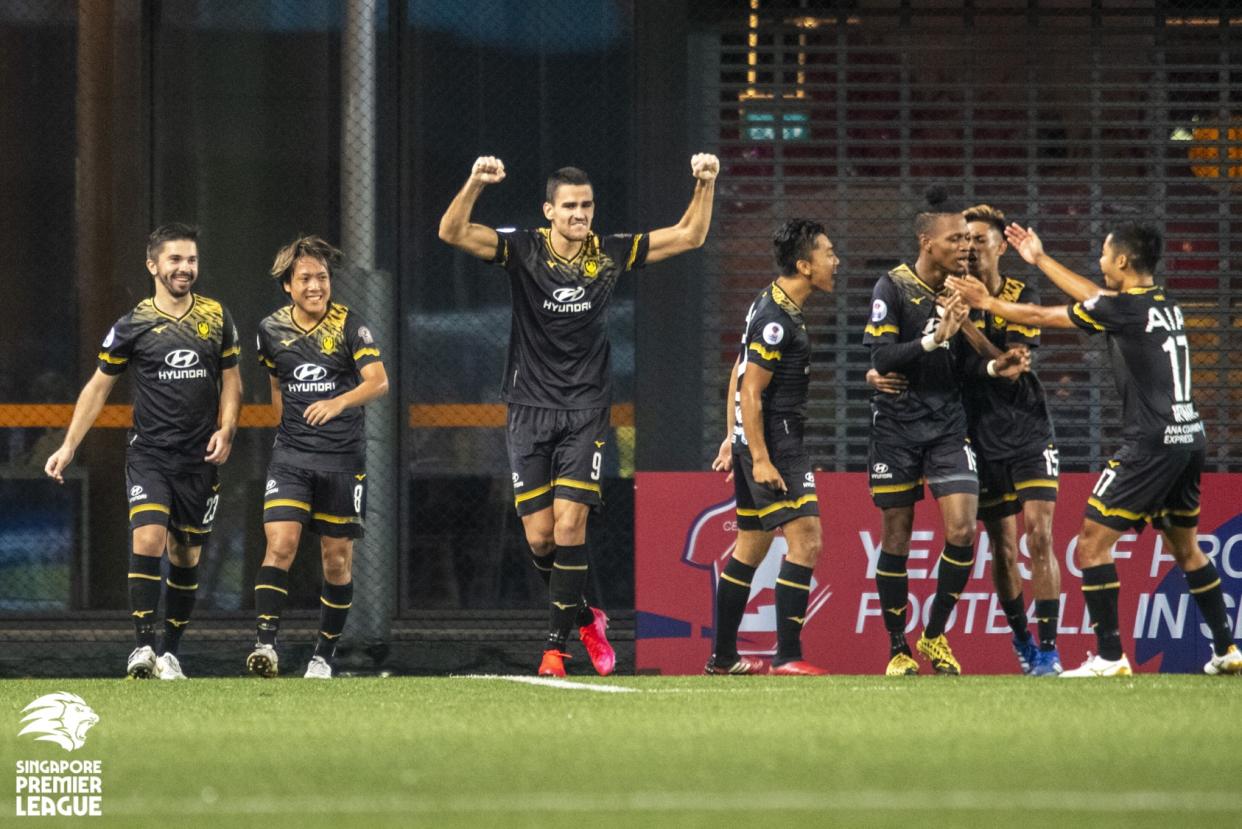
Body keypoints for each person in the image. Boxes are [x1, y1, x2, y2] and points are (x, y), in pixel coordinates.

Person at [438, 153, 719, 676]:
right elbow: (452, 231)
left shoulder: (609, 253)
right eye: (569, 206)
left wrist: (706, 183)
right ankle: (588, 615)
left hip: (586, 408)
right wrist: (475, 181)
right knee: (540, 537)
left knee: (570, 527)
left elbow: (688, 236)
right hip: (528, 408)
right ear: (549, 210)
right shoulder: (523, 249)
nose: (579, 214)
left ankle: (555, 648)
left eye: (586, 205)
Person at [948, 222, 1242, 677]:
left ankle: (1110, 656)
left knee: (1090, 544)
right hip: (1189, 439)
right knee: (1186, 549)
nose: (1100, 262)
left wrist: (987, 303)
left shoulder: (1121, 310)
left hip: (1151, 443)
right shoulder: (1162, 303)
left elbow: (1047, 317)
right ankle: (1227, 650)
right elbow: (1096, 298)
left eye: (1105, 254)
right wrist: (1041, 259)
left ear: (1122, 261)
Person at [871, 204, 1063, 675]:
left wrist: (973, 330)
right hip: (955, 429)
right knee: (996, 541)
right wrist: (877, 373)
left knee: (1031, 533)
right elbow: (894, 355)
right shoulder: (906, 287)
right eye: (960, 239)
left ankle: (1043, 648)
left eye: (975, 240)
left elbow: (1004, 364)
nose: (968, 247)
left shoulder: (1012, 294)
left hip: (1016, 429)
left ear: (999, 247)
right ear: (931, 243)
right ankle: (908, 646)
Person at [45, 223, 242, 680]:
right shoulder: (132, 324)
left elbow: (231, 379)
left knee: (186, 554)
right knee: (148, 539)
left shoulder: (217, 317)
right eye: (175, 260)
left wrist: (228, 428)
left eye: (191, 260)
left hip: (201, 459)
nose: (185, 268)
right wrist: (69, 445)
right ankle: (142, 649)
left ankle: (171, 653)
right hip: (150, 455)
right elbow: (97, 388)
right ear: (153, 265)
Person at [247, 236, 389, 679]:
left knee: (336, 560)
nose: (315, 285)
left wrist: (339, 402)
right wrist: (283, 430)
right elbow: (275, 385)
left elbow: (378, 382)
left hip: (342, 460)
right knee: (281, 545)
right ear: (288, 285)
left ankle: (322, 656)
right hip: (290, 458)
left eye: (322, 277)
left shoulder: (350, 324)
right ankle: (265, 646)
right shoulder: (270, 330)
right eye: (305, 278)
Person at [706, 219, 838, 676]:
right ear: (804, 264)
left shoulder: (771, 302)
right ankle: (788, 656)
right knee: (806, 542)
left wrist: (732, 435)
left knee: (750, 547)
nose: (834, 261)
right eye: (827, 253)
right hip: (777, 442)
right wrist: (758, 456)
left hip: (758, 437)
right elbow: (751, 390)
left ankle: (722, 658)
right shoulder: (775, 319)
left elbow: (738, 371)